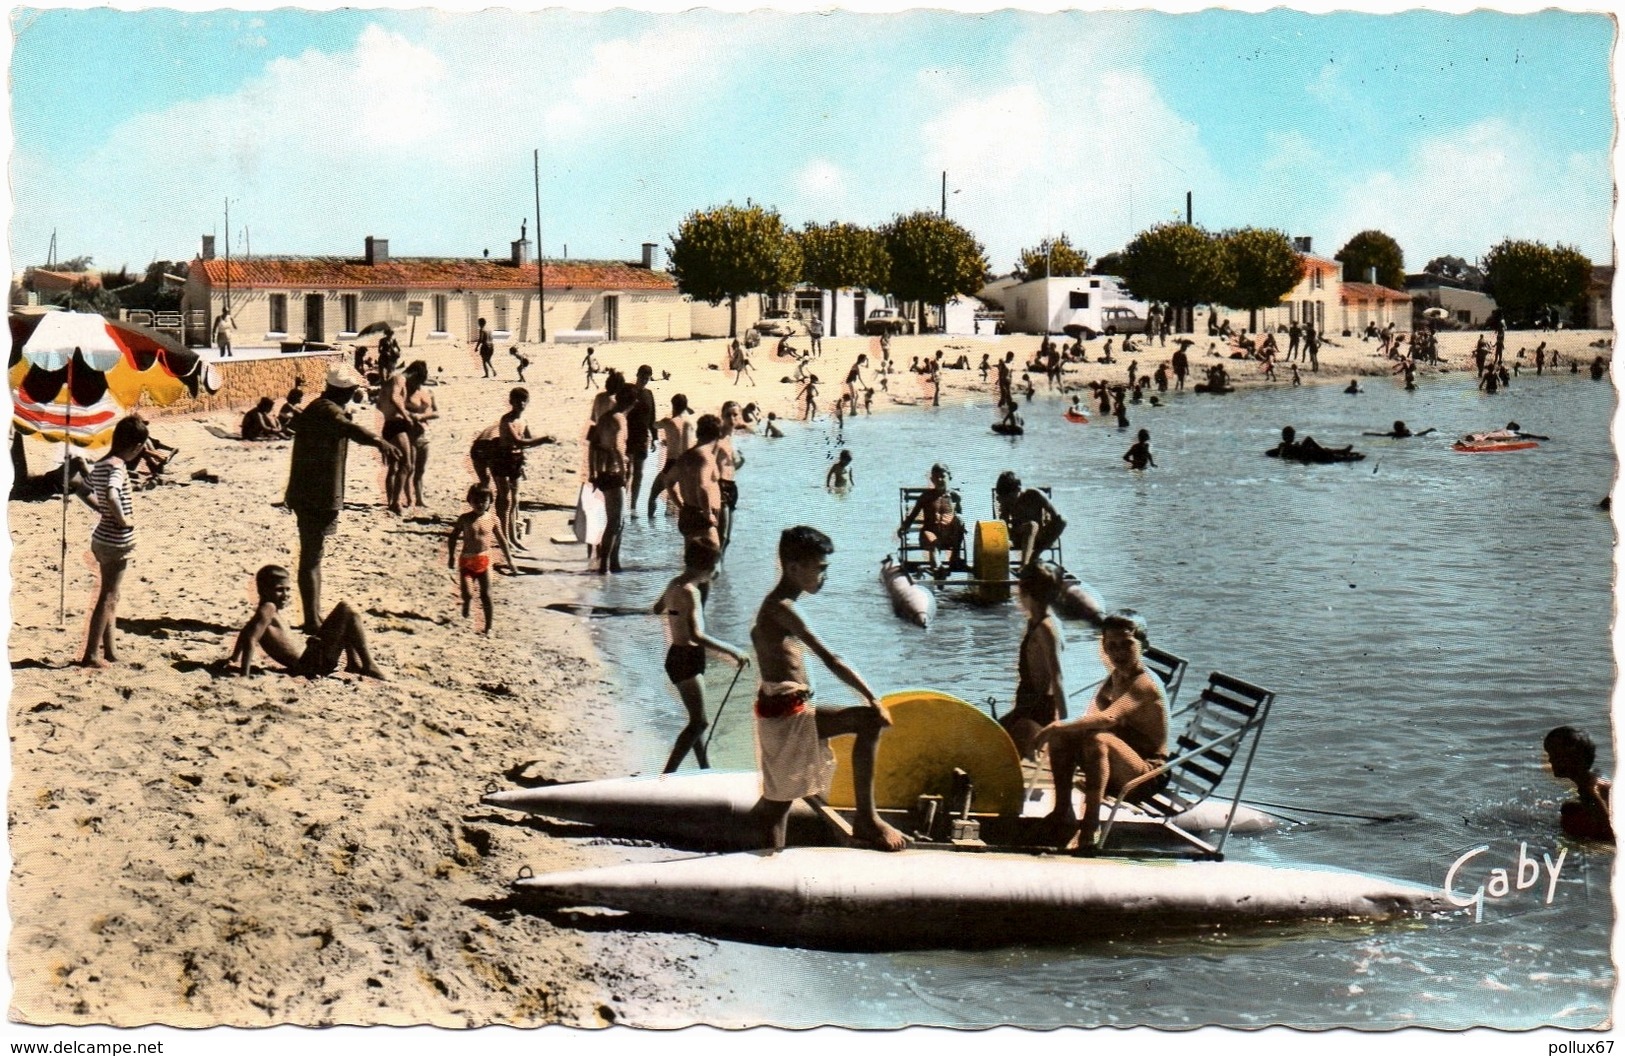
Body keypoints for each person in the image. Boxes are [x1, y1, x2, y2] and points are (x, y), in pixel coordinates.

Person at [748, 526, 908, 852]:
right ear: (793, 568)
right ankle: (865, 819)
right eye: (820, 569)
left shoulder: (779, 606)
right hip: (787, 718)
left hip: (792, 712)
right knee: (778, 804)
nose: (824, 577)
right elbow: (831, 658)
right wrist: (872, 697)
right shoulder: (783, 608)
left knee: (778, 803)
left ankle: (768, 856)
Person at [1033, 610, 1168, 854]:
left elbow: (1108, 718)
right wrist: (1063, 732)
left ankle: (1089, 829)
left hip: (1146, 775)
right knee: (1066, 736)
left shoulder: (1144, 683)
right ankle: (1063, 812)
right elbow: (1092, 713)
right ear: (1103, 647)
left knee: (1098, 740)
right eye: (1111, 645)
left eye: (1127, 644)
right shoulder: (1116, 676)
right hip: (1119, 764)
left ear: (1144, 646)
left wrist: (1056, 725)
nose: (1118, 652)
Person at [284, 363, 402, 631]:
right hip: (316, 495)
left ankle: (313, 616)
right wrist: (379, 441)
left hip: (310, 492)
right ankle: (312, 620)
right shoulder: (328, 411)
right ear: (344, 391)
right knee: (312, 557)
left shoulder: (320, 407)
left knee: (314, 556)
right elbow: (350, 430)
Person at [655, 540, 750, 774]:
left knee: (697, 718)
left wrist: (675, 616)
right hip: (688, 657)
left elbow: (658, 608)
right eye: (717, 566)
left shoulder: (674, 584)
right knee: (700, 722)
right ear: (706, 568)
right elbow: (697, 635)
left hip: (676, 655)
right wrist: (733, 650)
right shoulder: (692, 592)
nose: (718, 571)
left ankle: (704, 767)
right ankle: (667, 775)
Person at [78, 415, 148, 668]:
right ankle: (91, 655)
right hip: (116, 540)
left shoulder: (100, 464)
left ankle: (110, 650)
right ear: (136, 446)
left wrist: (103, 511)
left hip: (101, 538)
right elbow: (111, 493)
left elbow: (81, 490)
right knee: (108, 596)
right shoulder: (118, 467)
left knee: (111, 594)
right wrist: (122, 519)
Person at [230, 564, 384, 679]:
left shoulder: (266, 612)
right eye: (279, 590)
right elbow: (251, 639)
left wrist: (234, 658)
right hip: (309, 666)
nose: (285, 595)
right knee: (346, 610)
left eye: (288, 590)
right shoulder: (268, 608)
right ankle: (367, 664)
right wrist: (244, 674)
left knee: (344, 615)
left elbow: (246, 631)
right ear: (262, 590)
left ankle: (354, 663)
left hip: (310, 660)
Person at [996, 563, 1070, 759]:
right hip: (1026, 705)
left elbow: (1058, 678)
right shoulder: (1034, 622)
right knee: (982, 733)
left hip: (1037, 712)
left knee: (991, 748)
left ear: (1024, 591)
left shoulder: (1047, 627)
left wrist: (1065, 726)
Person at [474, 387, 552, 553]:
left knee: (515, 499)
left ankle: (514, 538)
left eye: (524, 401)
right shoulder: (506, 421)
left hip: (515, 460)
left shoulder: (523, 420)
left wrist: (524, 460)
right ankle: (506, 538)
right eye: (518, 401)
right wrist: (543, 440)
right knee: (506, 499)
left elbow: (527, 438)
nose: (521, 404)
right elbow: (519, 441)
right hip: (502, 458)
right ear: (511, 402)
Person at [447, 483, 517, 634]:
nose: (479, 504)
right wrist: (451, 557)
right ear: (469, 501)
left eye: (483, 501)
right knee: (468, 593)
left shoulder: (492, 519)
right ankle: (467, 602)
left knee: (486, 594)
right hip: (466, 560)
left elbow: (502, 541)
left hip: (484, 559)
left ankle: (489, 626)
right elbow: (452, 537)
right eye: (475, 500)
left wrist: (510, 561)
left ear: (490, 502)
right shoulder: (465, 519)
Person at [651, 413, 724, 552]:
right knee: (713, 564)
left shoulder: (686, 455)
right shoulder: (705, 456)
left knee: (693, 564)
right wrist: (708, 513)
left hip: (688, 513)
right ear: (717, 435)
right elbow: (702, 486)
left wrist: (680, 506)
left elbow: (669, 481)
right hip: (701, 517)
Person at [589, 386, 634, 574]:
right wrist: (624, 471)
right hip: (615, 473)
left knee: (617, 521)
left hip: (603, 471)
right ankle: (605, 566)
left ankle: (613, 564)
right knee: (616, 521)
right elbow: (616, 446)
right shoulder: (619, 418)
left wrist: (593, 472)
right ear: (631, 403)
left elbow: (593, 444)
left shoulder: (605, 417)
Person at [1544, 726, 1613, 842]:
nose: (1550, 760)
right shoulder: (1594, 777)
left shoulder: (1589, 789)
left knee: (1569, 810)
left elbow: (1610, 833)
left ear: (1574, 758)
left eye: (1555, 755)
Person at [995, 471, 1066, 571]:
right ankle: (1025, 565)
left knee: (1062, 520)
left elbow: (1056, 516)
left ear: (1018, 489)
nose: (1010, 501)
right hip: (1019, 535)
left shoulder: (1035, 494)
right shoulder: (1007, 501)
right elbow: (1003, 526)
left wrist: (1048, 523)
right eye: (1006, 498)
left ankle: (1034, 556)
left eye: (1011, 497)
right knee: (1032, 526)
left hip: (1040, 537)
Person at [379, 359, 419, 513]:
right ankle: (396, 503)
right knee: (406, 465)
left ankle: (391, 500)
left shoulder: (389, 381)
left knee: (393, 467)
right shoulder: (399, 379)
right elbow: (395, 398)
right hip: (396, 426)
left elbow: (383, 405)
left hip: (388, 425)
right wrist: (406, 416)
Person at [650, 394, 695, 518]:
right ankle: (674, 530)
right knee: (676, 499)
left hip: (671, 464)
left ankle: (651, 525)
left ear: (673, 405)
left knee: (653, 495)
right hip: (687, 465)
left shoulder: (668, 421)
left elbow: (654, 425)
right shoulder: (689, 423)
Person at [401, 361, 437, 508]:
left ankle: (420, 499)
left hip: (424, 434)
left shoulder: (427, 393)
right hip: (409, 434)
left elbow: (436, 412)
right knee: (409, 468)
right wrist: (411, 415)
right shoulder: (403, 394)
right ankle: (408, 499)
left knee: (420, 470)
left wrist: (422, 417)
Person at [625, 365, 659, 518]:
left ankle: (632, 507)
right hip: (627, 437)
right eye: (642, 377)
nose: (644, 380)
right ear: (637, 375)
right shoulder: (629, 390)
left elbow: (652, 418)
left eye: (647, 377)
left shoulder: (649, 394)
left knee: (638, 474)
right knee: (627, 473)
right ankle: (621, 504)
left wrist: (655, 437)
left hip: (642, 438)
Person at [716, 401, 746, 550]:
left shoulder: (734, 438)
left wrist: (740, 463)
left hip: (732, 486)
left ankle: (719, 571)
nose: (732, 418)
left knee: (727, 539)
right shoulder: (717, 438)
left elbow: (730, 467)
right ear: (722, 416)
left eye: (735, 415)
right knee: (722, 536)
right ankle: (713, 569)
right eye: (728, 415)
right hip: (719, 486)